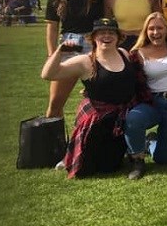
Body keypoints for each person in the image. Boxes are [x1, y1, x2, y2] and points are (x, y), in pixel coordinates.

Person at [41, 18, 150, 179]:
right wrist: (59, 52)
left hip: (120, 121)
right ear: (93, 38)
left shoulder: (124, 54)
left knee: (110, 167)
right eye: (101, 33)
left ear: (118, 37)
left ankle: (136, 145)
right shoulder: (85, 61)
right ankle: (71, 154)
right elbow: (48, 75)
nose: (106, 36)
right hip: (97, 122)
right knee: (87, 169)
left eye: (111, 32)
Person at [45, 0, 114, 118]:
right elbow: (52, 27)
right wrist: (51, 54)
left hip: (96, 45)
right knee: (55, 103)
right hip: (70, 45)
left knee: (105, 99)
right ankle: (55, 142)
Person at [123, 13, 167, 175]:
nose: (155, 32)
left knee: (164, 159)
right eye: (151, 29)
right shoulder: (137, 53)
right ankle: (137, 159)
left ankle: (152, 142)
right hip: (153, 103)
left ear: (166, 29)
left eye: (159, 28)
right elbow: (124, 77)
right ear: (145, 31)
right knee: (134, 118)